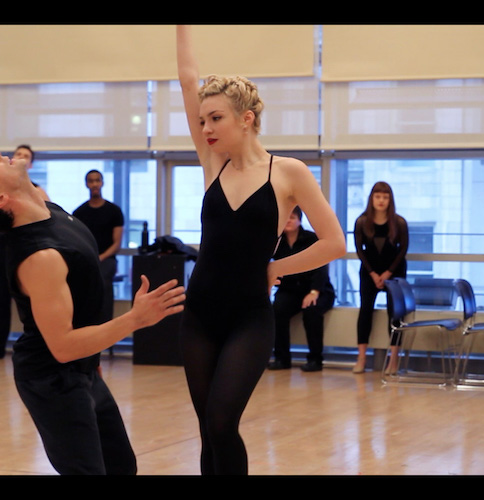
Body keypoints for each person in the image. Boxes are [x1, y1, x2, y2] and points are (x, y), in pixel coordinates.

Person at [0, 151, 185, 475]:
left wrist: (93, 361)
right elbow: (63, 345)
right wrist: (136, 319)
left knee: (121, 467)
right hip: (52, 380)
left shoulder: (48, 211)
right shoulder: (38, 256)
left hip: (82, 368)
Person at [176, 25, 345, 475]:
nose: (206, 127)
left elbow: (334, 242)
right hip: (200, 315)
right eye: (202, 120)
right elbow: (187, 80)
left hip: (249, 318)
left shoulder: (288, 172)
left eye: (216, 118)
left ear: (246, 118)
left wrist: (277, 269)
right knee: (206, 428)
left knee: (222, 420)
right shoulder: (213, 164)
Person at [0, 144, 50, 360]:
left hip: (28, 254)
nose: (21, 158)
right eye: (18, 154)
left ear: (31, 163)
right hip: (3, 253)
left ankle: (40, 350)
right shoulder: (0, 189)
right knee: (1, 303)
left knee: (33, 304)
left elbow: (49, 221)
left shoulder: (37, 191)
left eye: (26, 156)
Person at [268, 206, 336, 372]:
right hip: (290, 290)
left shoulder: (311, 239)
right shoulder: (276, 242)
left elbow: (321, 269)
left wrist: (314, 292)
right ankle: (282, 358)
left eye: (292, 217)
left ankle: (315, 360)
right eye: (286, 217)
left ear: (299, 219)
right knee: (277, 310)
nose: (288, 221)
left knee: (312, 310)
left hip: (316, 289)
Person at [353, 181, 408, 374]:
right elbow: (359, 250)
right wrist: (374, 274)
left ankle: (393, 361)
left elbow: (403, 251)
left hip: (394, 272)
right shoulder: (361, 221)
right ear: (371, 199)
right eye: (378, 197)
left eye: (385, 197)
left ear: (390, 200)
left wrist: (387, 274)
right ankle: (361, 359)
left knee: (395, 314)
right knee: (365, 311)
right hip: (370, 272)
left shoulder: (399, 222)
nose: (381, 201)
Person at [73, 170, 124, 323]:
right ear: (86, 184)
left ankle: (105, 324)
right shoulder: (79, 212)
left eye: (97, 180)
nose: (94, 184)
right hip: (87, 258)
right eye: (91, 181)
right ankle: (82, 325)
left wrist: (100, 257)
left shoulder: (114, 211)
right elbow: (77, 241)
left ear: (102, 183)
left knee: (102, 280)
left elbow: (117, 244)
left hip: (107, 259)